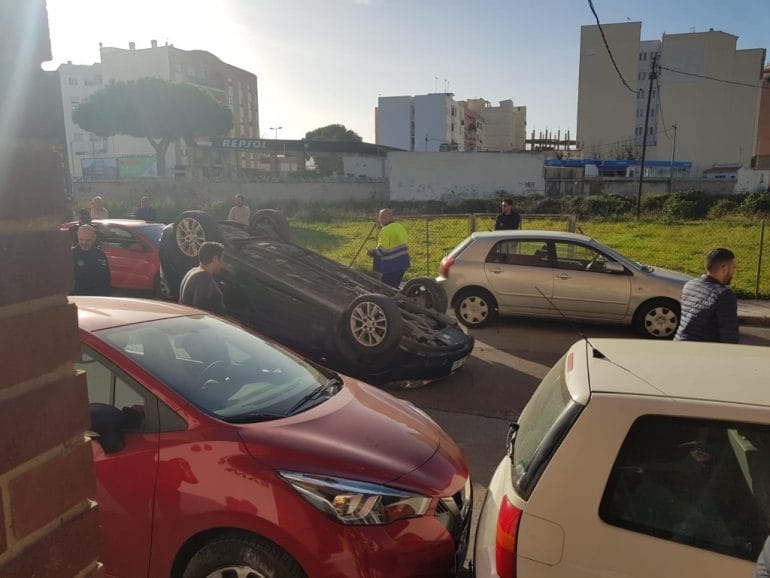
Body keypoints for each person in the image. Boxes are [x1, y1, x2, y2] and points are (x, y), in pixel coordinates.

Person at [674, 247, 739, 343]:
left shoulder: (690, 284)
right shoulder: (724, 295)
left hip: (680, 345)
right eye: (733, 267)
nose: (734, 272)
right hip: (703, 353)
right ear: (725, 269)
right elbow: (729, 336)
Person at [179, 241, 226, 315]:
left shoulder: (192, 271)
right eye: (222, 259)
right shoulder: (204, 278)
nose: (222, 263)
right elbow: (201, 310)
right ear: (215, 259)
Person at [367, 208, 410, 288]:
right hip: (403, 262)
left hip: (392, 266)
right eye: (380, 218)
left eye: (382, 218)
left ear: (389, 217)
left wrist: (372, 252)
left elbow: (382, 251)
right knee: (395, 286)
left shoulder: (385, 230)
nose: (380, 221)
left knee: (387, 288)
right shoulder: (400, 227)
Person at [71, 224, 111, 296]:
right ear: (77, 237)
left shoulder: (100, 255)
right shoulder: (70, 255)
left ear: (94, 238)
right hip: (78, 298)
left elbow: (106, 279)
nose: (84, 243)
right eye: (81, 239)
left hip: (97, 298)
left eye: (88, 240)